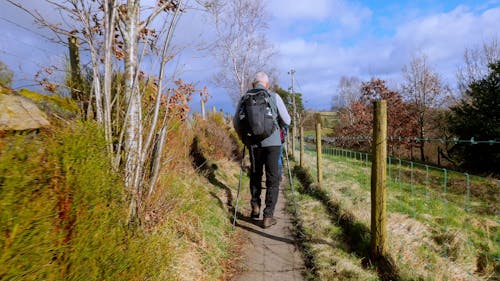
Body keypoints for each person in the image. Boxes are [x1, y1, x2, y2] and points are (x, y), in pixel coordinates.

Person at [233, 72, 291, 228]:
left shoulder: (245, 98)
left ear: (254, 84)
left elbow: (236, 123)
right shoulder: (274, 96)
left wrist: (244, 138)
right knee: (272, 178)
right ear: (267, 84)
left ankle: (255, 206)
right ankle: (268, 216)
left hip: (253, 143)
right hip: (273, 144)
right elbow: (287, 120)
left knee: (255, 174)